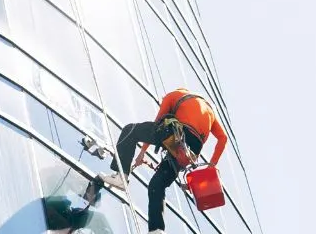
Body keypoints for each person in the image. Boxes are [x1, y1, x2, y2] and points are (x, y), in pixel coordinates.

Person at [97, 89, 229, 231]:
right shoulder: (209, 112)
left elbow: (158, 122)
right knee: (157, 185)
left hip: (178, 134)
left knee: (130, 130)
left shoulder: (173, 96)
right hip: (191, 151)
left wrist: (142, 152)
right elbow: (223, 138)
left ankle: (121, 176)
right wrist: (210, 167)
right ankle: (157, 229)